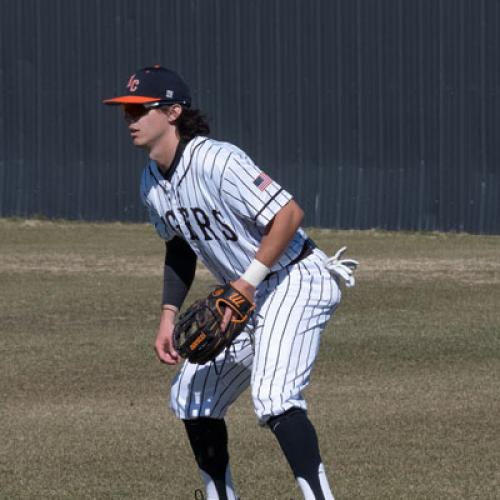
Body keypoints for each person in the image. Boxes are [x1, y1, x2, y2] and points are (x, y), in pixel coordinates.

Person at [103, 65, 358, 500]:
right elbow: (179, 246)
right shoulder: (151, 182)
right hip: (246, 297)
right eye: (126, 111)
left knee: (276, 397)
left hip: (296, 278)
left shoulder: (217, 160)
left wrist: (246, 283)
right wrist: (167, 317)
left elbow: (289, 214)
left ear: (172, 112)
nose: (130, 120)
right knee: (191, 396)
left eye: (139, 110)